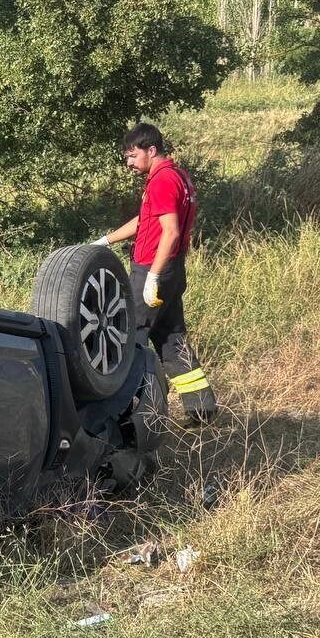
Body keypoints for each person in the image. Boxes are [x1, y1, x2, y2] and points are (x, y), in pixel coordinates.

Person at [94, 122, 217, 423]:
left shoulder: (162, 181)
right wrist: (106, 240)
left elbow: (171, 232)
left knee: (129, 339)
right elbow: (144, 220)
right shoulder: (178, 177)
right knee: (172, 339)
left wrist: (151, 277)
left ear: (151, 150)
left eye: (133, 156)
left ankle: (129, 416)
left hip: (154, 269)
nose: (129, 163)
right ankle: (202, 410)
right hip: (173, 270)